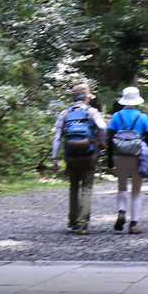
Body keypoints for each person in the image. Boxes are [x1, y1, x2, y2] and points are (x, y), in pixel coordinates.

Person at [49, 83, 106, 234]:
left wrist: (54, 159)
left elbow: (57, 137)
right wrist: (102, 142)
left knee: (74, 188)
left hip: (71, 156)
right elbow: (102, 127)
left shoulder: (65, 114)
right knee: (86, 188)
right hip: (89, 155)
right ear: (87, 97)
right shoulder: (92, 112)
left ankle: (73, 221)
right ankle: (82, 223)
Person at [104, 86, 148, 234]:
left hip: (120, 154)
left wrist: (109, 161)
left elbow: (110, 138)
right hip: (138, 155)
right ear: (137, 100)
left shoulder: (116, 116)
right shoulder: (143, 117)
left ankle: (121, 211)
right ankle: (134, 223)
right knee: (136, 191)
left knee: (122, 187)